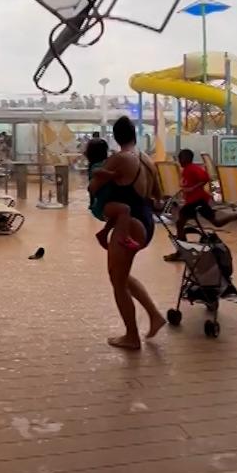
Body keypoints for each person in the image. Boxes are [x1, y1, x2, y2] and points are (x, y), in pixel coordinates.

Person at [88, 116, 166, 350]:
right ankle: (154, 316)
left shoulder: (120, 158)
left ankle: (131, 336)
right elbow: (157, 197)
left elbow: (94, 187)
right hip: (145, 222)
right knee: (122, 277)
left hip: (129, 224)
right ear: (134, 135)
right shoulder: (147, 160)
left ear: (116, 136)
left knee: (117, 280)